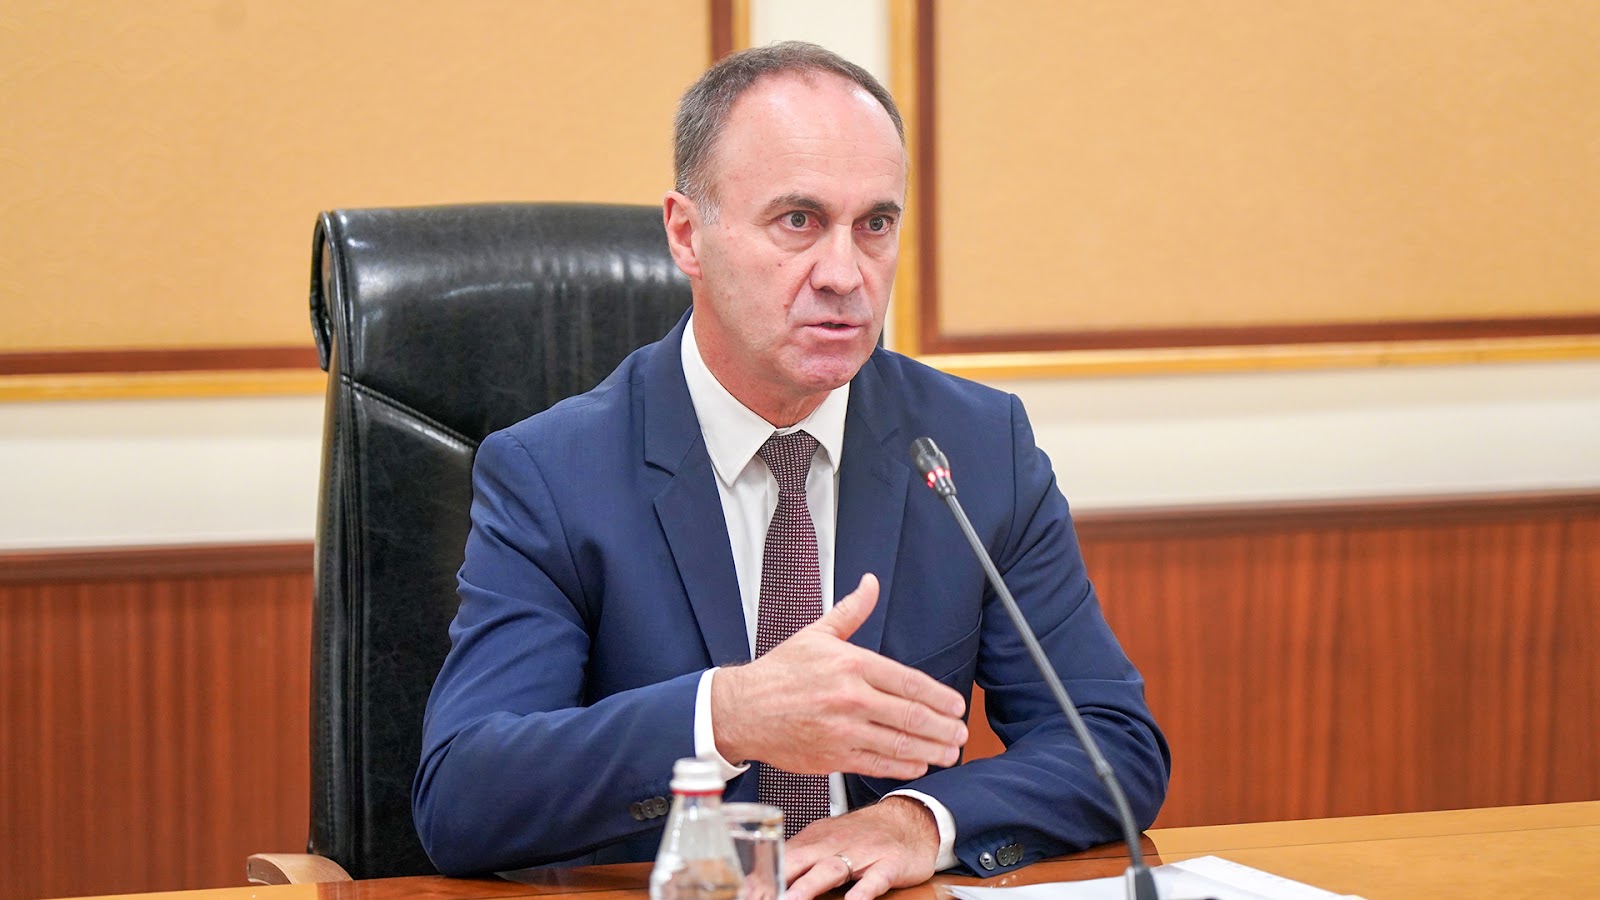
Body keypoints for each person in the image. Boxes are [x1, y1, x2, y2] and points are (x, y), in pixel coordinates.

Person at [413, 41, 1169, 900]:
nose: (845, 275)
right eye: (798, 221)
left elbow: (1112, 744)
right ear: (687, 234)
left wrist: (918, 820)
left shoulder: (972, 447)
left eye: (875, 224)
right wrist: (727, 717)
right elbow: (463, 797)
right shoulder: (552, 472)